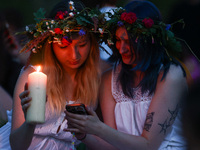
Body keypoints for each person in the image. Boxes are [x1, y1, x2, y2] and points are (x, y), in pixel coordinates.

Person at [65, 1, 188, 149]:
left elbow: (149, 145)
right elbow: (113, 145)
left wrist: (98, 127)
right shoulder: (109, 80)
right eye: (118, 40)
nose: (121, 49)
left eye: (129, 42)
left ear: (148, 41)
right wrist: (85, 134)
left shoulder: (170, 76)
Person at [0, 0, 106, 149]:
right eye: (64, 46)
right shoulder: (33, 76)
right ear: (51, 43)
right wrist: (30, 122)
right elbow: (17, 145)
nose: (74, 55)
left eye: (82, 45)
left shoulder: (94, 80)